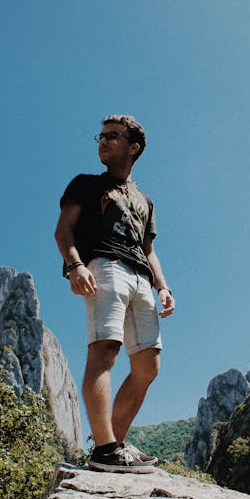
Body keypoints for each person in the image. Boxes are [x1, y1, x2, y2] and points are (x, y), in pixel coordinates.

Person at [55, 115, 175, 473]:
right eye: (101, 136)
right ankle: (105, 447)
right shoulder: (85, 184)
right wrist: (76, 265)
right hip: (104, 266)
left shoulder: (145, 201)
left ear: (133, 147)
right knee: (105, 350)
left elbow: (149, 250)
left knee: (148, 365)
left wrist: (163, 286)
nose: (103, 141)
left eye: (113, 136)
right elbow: (63, 231)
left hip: (140, 276)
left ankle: (114, 447)